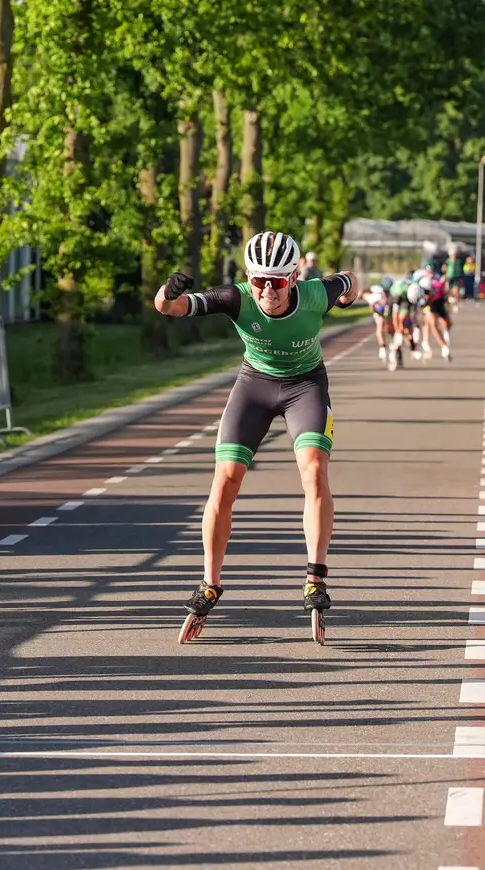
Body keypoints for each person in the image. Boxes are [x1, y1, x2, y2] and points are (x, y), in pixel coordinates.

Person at [155, 230, 358, 644]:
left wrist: (348, 296)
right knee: (225, 478)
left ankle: (315, 577)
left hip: (306, 387)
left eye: (278, 281)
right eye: (260, 279)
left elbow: (351, 280)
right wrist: (166, 291)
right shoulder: (237, 298)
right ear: (249, 276)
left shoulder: (317, 295)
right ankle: (210, 583)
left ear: (295, 277)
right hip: (254, 387)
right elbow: (171, 307)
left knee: (314, 471)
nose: (268, 290)